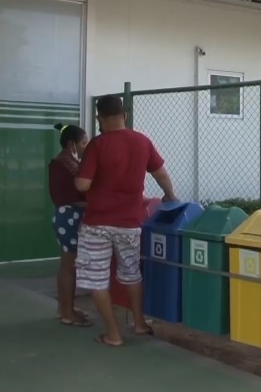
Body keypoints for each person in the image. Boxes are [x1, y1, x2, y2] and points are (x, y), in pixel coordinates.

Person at [75, 95, 177, 347]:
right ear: (125, 115)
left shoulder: (97, 145)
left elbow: (82, 184)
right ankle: (140, 323)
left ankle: (113, 334)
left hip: (97, 225)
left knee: (97, 279)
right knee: (132, 273)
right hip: (130, 223)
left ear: (99, 118)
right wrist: (170, 195)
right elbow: (161, 174)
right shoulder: (142, 141)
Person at [48, 123, 92, 327]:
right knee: (69, 266)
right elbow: (79, 192)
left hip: (64, 217)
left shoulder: (62, 161)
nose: (87, 147)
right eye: (84, 143)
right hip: (70, 217)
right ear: (72, 144)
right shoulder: (69, 164)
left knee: (66, 265)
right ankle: (68, 313)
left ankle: (64, 308)